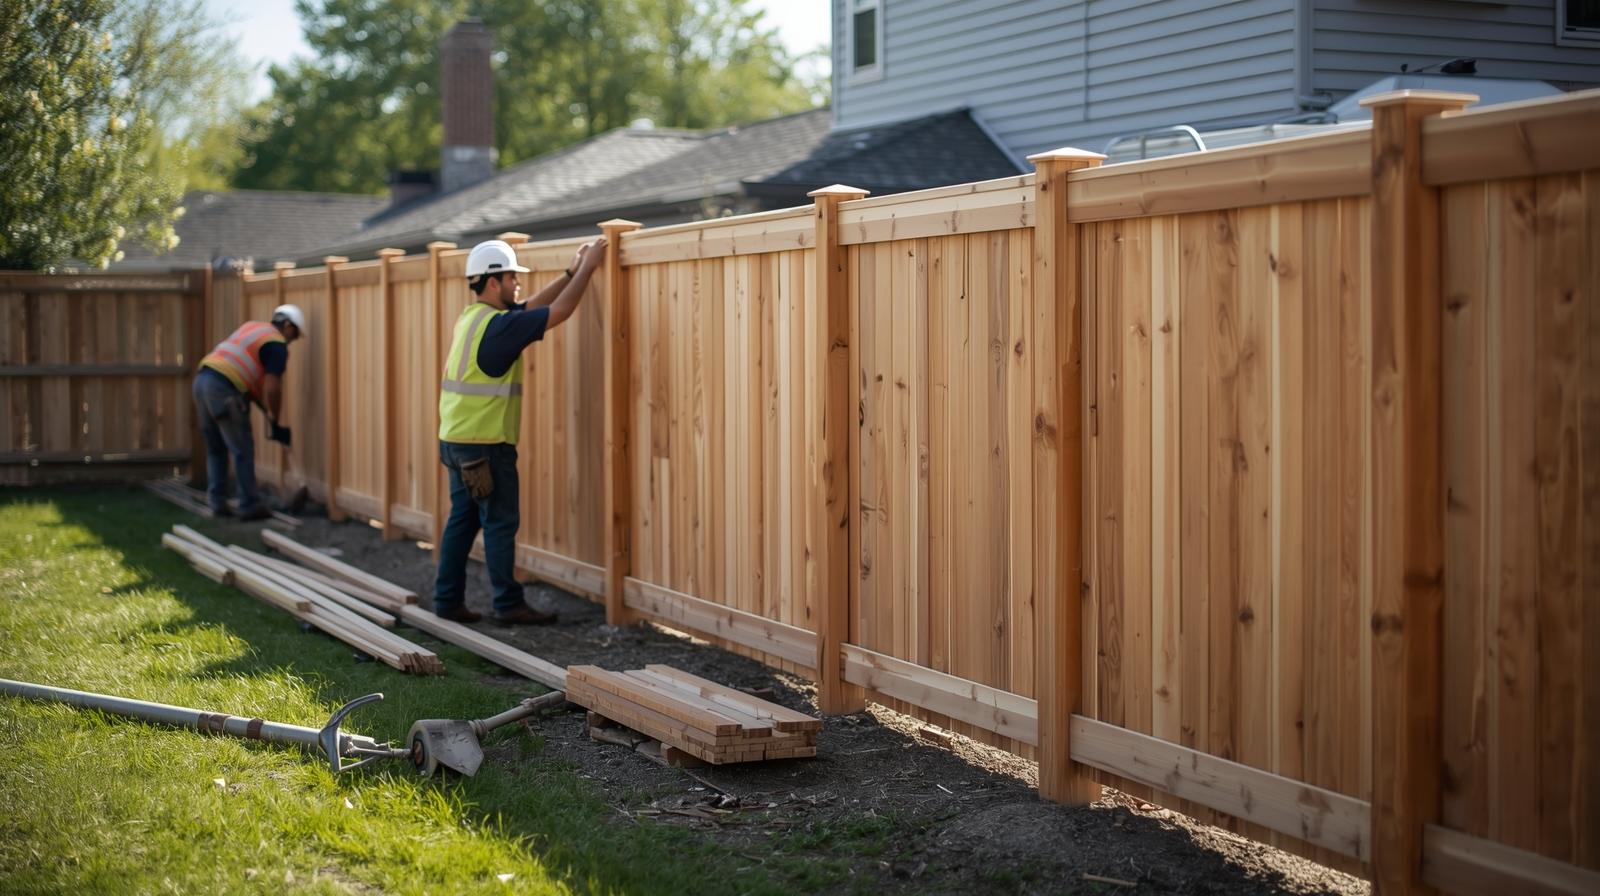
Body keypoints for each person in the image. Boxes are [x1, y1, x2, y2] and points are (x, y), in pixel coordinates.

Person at [433, 237, 607, 625]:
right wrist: (589, 268)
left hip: (456, 439)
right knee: (499, 521)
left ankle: (447, 601)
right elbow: (558, 311)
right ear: (494, 281)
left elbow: (532, 307)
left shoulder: (473, 318)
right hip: (486, 446)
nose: (518, 284)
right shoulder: (501, 326)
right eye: (513, 277)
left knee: (463, 519)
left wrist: (570, 272)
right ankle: (508, 604)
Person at [192, 305, 302, 520]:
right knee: (242, 447)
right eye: (294, 335)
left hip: (202, 381)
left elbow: (247, 380)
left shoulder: (252, 328)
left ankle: (217, 502)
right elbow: (272, 387)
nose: (293, 340)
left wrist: (269, 416)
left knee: (216, 448)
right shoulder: (277, 344)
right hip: (223, 390)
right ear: (287, 325)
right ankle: (249, 504)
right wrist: (276, 420)